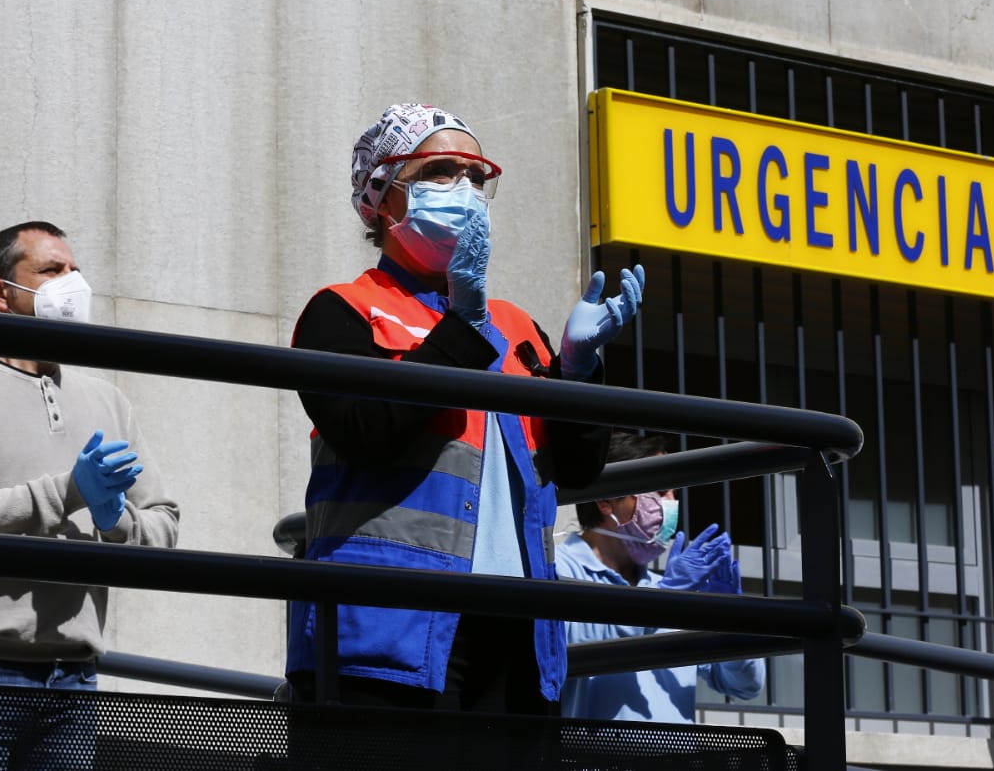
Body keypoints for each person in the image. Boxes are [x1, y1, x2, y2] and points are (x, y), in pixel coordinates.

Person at [284, 103, 646, 714]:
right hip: (386, 629)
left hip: (520, 633)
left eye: (477, 176)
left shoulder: (515, 327)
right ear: (382, 195)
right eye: (442, 172)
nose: (467, 190)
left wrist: (578, 369)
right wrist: (461, 326)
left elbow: (578, 471)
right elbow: (363, 433)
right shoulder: (342, 311)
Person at [0, 221, 180, 767]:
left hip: (72, 676)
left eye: (74, 270)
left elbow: (162, 524)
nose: (72, 283)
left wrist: (114, 518)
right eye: (51, 271)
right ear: (1, 292)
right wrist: (68, 491)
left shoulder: (108, 399)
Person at [555, 431, 764, 722]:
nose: (671, 503)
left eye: (673, 492)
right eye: (659, 491)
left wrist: (734, 623)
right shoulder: (558, 572)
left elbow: (744, 685)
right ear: (606, 501)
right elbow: (567, 646)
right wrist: (662, 603)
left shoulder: (669, 590)